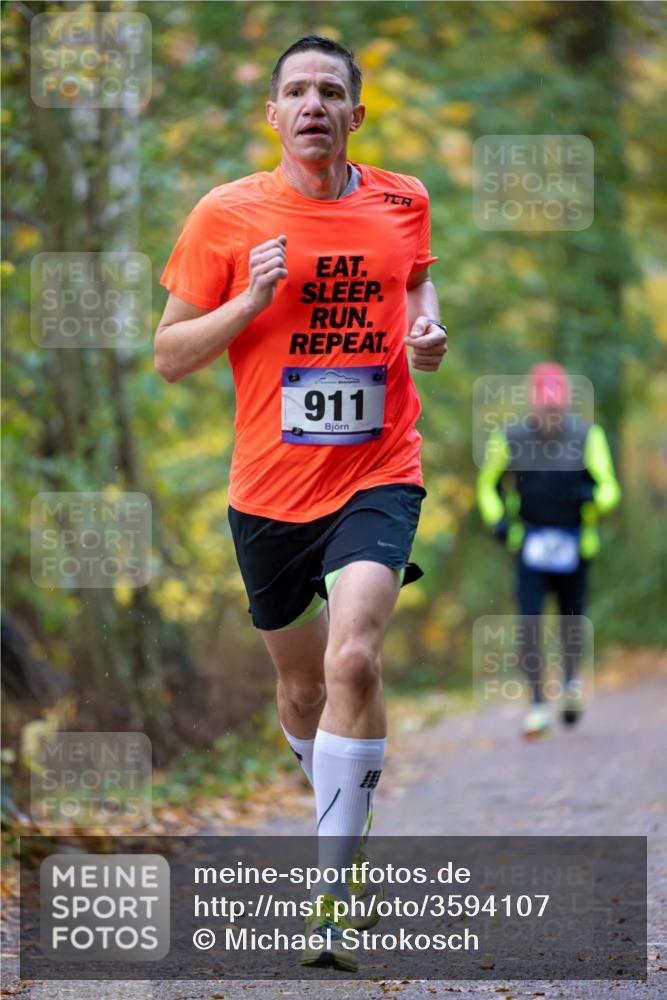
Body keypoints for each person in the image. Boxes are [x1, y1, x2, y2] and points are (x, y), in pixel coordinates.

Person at [155, 35, 446, 969]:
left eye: (329, 90)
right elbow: (169, 355)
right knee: (303, 686)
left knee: (353, 656)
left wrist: (427, 328)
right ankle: (336, 794)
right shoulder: (226, 214)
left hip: (377, 471)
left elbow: (417, 276)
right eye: (295, 91)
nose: (312, 103)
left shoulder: (404, 198)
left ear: (355, 114)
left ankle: (333, 892)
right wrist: (249, 300)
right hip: (268, 489)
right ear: (272, 115)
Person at [477, 363, 621, 739]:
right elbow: (488, 486)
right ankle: (538, 705)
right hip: (530, 545)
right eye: (545, 407)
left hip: (576, 543)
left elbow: (609, 488)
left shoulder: (588, 436)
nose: (550, 415)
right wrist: (498, 522)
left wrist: (593, 500)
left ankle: (572, 684)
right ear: (534, 403)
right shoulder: (508, 438)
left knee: (572, 619)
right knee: (530, 623)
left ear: (566, 405)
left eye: (556, 409)